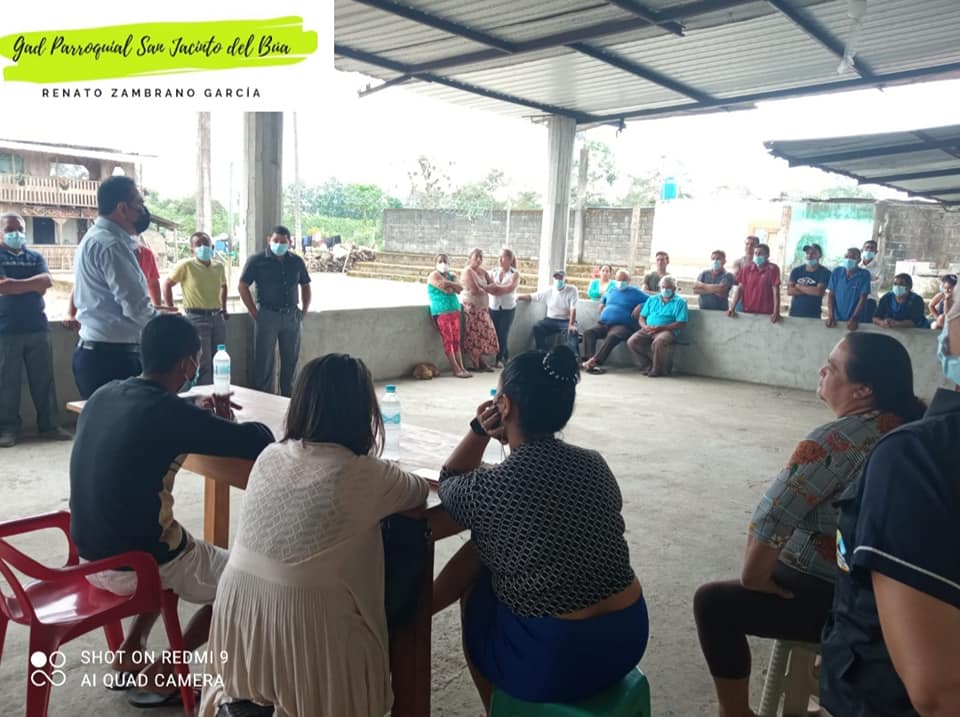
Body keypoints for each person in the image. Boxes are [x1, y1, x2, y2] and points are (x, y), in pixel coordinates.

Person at [694, 332, 924, 717]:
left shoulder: (835, 440)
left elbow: (773, 515)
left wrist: (755, 578)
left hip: (846, 595)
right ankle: (823, 669)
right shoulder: (914, 425)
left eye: (832, 368)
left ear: (863, 390)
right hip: (897, 589)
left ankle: (733, 711)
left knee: (713, 603)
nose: (822, 371)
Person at [200, 354, 429, 717]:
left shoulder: (270, 455)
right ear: (363, 414)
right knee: (404, 570)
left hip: (238, 634)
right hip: (313, 653)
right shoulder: (362, 473)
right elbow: (419, 492)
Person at [69, 314, 274, 706]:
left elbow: (157, 413)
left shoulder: (103, 395)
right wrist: (213, 418)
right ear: (187, 364)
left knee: (172, 538)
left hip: (89, 558)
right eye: (196, 361)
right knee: (252, 582)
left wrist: (195, 409)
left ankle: (131, 647)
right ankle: (165, 670)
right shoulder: (171, 415)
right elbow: (257, 440)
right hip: (137, 566)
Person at [432, 347, 647, 710]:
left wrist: (478, 430)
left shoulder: (493, 489)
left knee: (480, 581)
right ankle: (420, 609)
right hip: (629, 633)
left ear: (504, 406)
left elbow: (449, 480)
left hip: (559, 658)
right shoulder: (594, 464)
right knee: (497, 539)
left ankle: (498, 709)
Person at [821, 332, 959, 717]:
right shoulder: (913, 443)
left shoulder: (916, 454)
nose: (822, 374)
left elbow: (939, 692)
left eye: (831, 369)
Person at [72, 175, 161, 399]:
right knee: (127, 420)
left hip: (98, 353)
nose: (142, 210)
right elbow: (136, 308)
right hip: (111, 360)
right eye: (139, 204)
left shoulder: (94, 238)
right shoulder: (111, 246)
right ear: (122, 209)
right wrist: (169, 327)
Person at [0, 212, 71, 447]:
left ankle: (49, 426)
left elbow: (46, 282)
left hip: (37, 327)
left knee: (44, 380)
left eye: (20, 230)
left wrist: (14, 284)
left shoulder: (35, 256)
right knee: (7, 382)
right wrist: (32, 285)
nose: (16, 234)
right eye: (10, 230)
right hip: (6, 329)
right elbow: (3, 287)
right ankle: (8, 429)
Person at [238, 225, 312, 396]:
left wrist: (304, 311)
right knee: (264, 362)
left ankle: (289, 399)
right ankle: (264, 398)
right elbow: (242, 286)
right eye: (275, 240)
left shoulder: (296, 261)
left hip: (292, 316)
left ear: (290, 242)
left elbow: (306, 285)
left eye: (283, 242)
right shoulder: (256, 261)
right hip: (267, 315)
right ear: (268, 240)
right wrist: (254, 313)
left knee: (291, 361)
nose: (279, 244)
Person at [164, 231, 228, 385]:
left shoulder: (218, 267)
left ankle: (218, 393)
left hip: (217, 317)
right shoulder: (186, 265)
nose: (203, 247)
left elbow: (224, 286)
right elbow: (167, 284)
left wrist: (224, 308)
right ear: (192, 249)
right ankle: (203, 395)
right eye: (198, 244)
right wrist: (170, 309)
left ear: (212, 247)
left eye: (206, 244)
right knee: (202, 362)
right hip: (196, 318)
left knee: (219, 360)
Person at [581, 270, 647, 375]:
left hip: (622, 326)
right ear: (615, 280)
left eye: (624, 280)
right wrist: (602, 302)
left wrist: (641, 306)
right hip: (604, 323)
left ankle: (596, 361)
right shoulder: (612, 290)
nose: (621, 282)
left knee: (613, 336)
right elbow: (604, 296)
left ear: (629, 280)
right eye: (618, 280)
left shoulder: (635, 292)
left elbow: (652, 300)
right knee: (588, 333)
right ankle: (589, 360)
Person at [627, 275, 688, 377]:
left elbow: (681, 323)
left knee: (659, 341)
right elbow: (642, 317)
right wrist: (645, 327)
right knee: (632, 341)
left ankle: (656, 370)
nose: (665, 290)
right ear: (659, 288)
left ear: (674, 288)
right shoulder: (652, 299)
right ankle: (648, 366)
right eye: (663, 287)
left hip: (667, 330)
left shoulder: (680, 302)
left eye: (668, 288)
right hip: (649, 328)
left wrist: (661, 328)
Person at [427, 254, 471, 378]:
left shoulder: (452, 275)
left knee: (456, 340)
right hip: (441, 312)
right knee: (448, 340)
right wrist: (452, 285)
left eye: (445, 261)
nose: (443, 264)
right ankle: (455, 368)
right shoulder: (434, 275)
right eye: (440, 261)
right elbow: (444, 288)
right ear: (436, 263)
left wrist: (449, 284)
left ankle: (461, 367)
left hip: (454, 311)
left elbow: (460, 288)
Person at [517, 269, 580, 354]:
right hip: (550, 320)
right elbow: (532, 297)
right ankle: (543, 352)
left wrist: (571, 324)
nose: (558, 280)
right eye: (556, 277)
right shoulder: (549, 291)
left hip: (566, 321)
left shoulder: (572, 290)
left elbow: (573, 309)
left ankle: (573, 356)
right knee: (537, 327)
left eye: (560, 278)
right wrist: (518, 297)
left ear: (565, 279)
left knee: (572, 332)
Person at [460, 248, 500, 372]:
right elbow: (475, 290)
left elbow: (494, 286)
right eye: (476, 256)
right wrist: (486, 288)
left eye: (481, 257)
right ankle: (474, 362)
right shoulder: (467, 271)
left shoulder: (483, 271)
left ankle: (481, 361)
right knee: (474, 335)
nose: (478, 259)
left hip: (483, 308)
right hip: (472, 308)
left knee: (486, 333)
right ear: (470, 258)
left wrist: (484, 287)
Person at [728, 243, 780, 323]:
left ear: (767, 255)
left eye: (760, 254)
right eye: (755, 253)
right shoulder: (746, 268)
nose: (757, 256)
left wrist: (776, 311)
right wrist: (732, 307)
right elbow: (740, 288)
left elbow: (776, 291)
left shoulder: (773, 269)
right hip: (747, 311)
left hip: (766, 313)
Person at [489, 248, 520, 368]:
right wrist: (497, 289)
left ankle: (499, 358)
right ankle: (506, 357)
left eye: (503, 257)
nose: (500, 260)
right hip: (494, 307)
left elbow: (510, 288)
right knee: (496, 333)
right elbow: (489, 287)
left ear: (510, 259)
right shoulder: (494, 272)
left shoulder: (514, 274)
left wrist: (496, 289)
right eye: (499, 257)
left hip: (508, 308)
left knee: (503, 332)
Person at [826, 247, 871, 331]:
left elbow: (863, 297)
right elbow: (831, 295)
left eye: (853, 257)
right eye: (847, 256)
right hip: (836, 318)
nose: (849, 259)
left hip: (855, 320)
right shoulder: (837, 272)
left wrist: (854, 317)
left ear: (859, 260)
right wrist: (831, 315)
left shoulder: (864, 274)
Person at [787, 243, 831, 319]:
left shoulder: (825, 272)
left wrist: (798, 286)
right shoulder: (796, 271)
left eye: (813, 253)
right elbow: (790, 291)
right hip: (794, 313)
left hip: (813, 315)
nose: (809, 256)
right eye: (807, 253)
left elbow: (819, 292)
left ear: (820, 255)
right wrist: (810, 290)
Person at [732, 236, 761, 313]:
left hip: (757, 299)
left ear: (757, 246)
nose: (749, 246)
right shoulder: (738, 262)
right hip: (740, 298)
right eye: (747, 244)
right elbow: (736, 280)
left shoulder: (761, 262)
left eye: (752, 244)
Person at [135, 237, 163, 308]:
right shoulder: (112, 251)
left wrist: (158, 308)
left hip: (143, 309)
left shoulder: (146, 254)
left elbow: (153, 283)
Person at [859, 239, 882, 322]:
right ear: (862, 250)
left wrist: (859, 281)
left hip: (870, 301)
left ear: (876, 252)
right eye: (867, 248)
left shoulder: (879, 268)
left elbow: (875, 286)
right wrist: (869, 279)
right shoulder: (857, 266)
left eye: (872, 248)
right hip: (855, 300)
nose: (869, 250)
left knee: (867, 325)